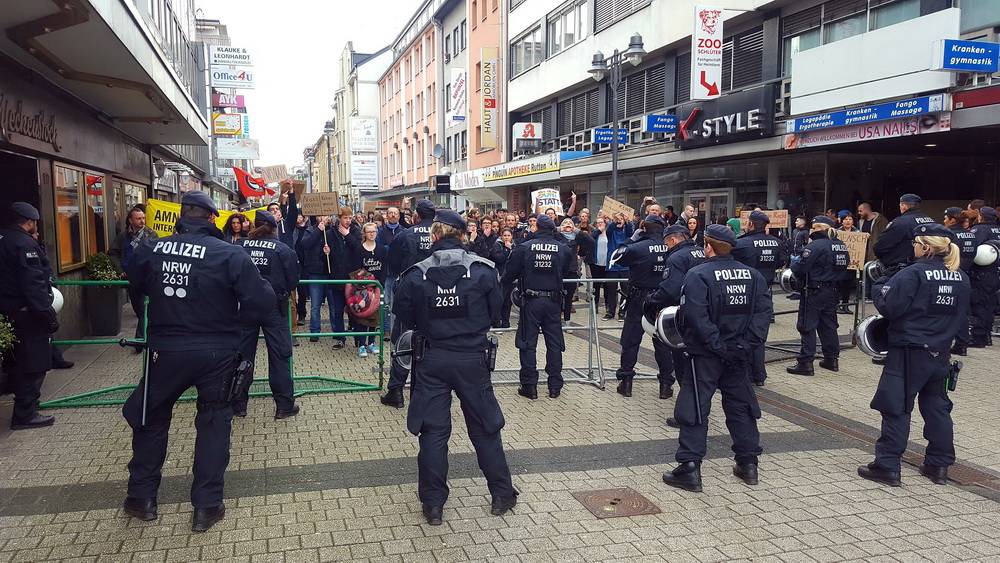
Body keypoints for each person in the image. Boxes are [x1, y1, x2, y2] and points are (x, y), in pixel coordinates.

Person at [122, 191, 274, 532]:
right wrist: (238, 319)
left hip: (165, 350)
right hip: (217, 351)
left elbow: (135, 281)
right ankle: (206, 506)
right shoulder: (229, 253)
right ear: (211, 218)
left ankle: (141, 498)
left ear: (181, 217)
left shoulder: (153, 248)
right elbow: (262, 300)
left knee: (151, 420)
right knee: (214, 424)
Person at [393, 209, 517, 525]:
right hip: (472, 359)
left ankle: (433, 504)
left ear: (434, 236)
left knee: (433, 433)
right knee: (485, 428)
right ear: (463, 236)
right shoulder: (483, 271)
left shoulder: (415, 275)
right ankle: (502, 494)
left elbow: (404, 315)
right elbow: (495, 311)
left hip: (432, 360)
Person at [661, 224, 771, 493]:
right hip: (739, 355)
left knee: (695, 408)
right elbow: (763, 316)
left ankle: (690, 467)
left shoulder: (698, 275)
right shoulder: (754, 276)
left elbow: (695, 317)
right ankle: (748, 463)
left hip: (706, 355)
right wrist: (743, 346)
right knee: (741, 407)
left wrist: (718, 345)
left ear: (708, 247)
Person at [859, 223, 969, 487]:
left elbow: (889, 306)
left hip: (909, 352)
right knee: (937, 409)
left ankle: (887, 466)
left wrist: (881, 282)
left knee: (895, 407)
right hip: (940, 353)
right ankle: (938, 465)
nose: (914, 248)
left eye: (916, 244)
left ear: (926, 247)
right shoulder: (960, 276)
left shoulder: (913, 274)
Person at [502, 215, 575, 400]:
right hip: (553, 302)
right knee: (554, 344)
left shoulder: (524, 247)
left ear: (536, 227)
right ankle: (554, 386)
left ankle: (530, 386)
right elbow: (567, 271)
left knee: (528, 343)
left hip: (531, 301)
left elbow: (509, 274)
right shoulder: (563, 248)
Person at [235, 211, 299, 419]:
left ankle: (238, 404)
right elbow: (293, 281)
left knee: (241, 355)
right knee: (279, 356)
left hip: (245, 306)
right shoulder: (283, 250)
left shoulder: (239, 246)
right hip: (274, 308)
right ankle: (284, 406)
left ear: (254, 225)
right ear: (273, 228)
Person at [0, 202, 58, 430]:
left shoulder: (3, 239)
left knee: (16, 362)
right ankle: (25, 414)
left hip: (8, 312)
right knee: (34, 364)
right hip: (27, 314)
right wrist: (47, 314)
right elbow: (33, 284)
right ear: (29, 222)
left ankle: (25, 409)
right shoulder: (24, 244)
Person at [646, 224, 706, 427]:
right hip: (703, 316)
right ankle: (699, 409)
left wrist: (652, 300)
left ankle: (688, 414)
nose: (665, 246)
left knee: (682, 367)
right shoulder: (701, 251)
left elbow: (671, 290)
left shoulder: (676, 258)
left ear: (672, 240)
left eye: (666, 243)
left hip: (683, 317)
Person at [609, 215, 674, 398]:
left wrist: (631, 239)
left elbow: (616, 257)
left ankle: (626, 382)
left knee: (631, 341)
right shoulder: (672, 248)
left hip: (639, 298)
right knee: (662, 341)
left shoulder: (638, 247)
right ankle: (665, 385)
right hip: (662, 298)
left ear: (644, 228)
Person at [381, 199, 437, 408]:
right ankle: (428, 390)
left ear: (416, 216)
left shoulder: (405, 235)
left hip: (410, 294)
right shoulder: (442, 233)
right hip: (436, 294)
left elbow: (393, 263)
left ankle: (396, 390)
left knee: (403, 340)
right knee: (433, 340)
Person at [786, 216, 849, 376]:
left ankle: (805, 363)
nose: (811, 230)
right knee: (829, 325)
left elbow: (800, 268)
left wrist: (794, 262)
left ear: (820, 228)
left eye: (813, 227)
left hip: (814, 290)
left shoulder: (815, 245)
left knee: (807, 325)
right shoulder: (840, 245)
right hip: (833, 290)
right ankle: (831, 359)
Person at [733, 211, 786, 386]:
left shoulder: (741, 244)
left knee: (744, 332)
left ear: (751, 224)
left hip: (745, 292)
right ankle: (759, 374)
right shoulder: (777, 243)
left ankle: (747, 374)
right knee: (759, 333)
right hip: (765, 292)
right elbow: (781, 262)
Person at [109, 206, 158, 347]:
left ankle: (139, 340)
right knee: (139, 309)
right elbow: (113, 253)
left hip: (145, 278)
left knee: (144, 310)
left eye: (143, 218)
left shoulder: (151, 235)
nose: (142, 221)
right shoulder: (123, 236)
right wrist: (119, 269)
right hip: (129, 278)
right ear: (130, 220)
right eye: (138, 218)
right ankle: (144, 335)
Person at [348, 222, 387, 356]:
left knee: (374, 317)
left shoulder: (382, 249)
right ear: (364, 233)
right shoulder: (359, 249)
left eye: (374, 231)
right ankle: (361, 344)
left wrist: (379, 283)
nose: (372, 234)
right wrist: (366, 282)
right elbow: (356, 269)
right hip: (362, 288)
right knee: (362, 318)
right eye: (369, 231)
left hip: (377, 287)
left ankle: (371, 342)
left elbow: (384, 268)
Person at [874, 194, 933, 273]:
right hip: (927, 266)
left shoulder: (900, 222)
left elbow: (880, 247)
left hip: (903, 269)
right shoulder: (930, 221)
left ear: (903, 206)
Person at [968, 206, 1000, 347]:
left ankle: (978, 338)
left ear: (981, 216)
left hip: (981, 273)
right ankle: (986, 336)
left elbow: (972, 248)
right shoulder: (997, 229)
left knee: (979, 305)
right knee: (989, 305)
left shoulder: (980, 229)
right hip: (995, 273)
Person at [604, 212, 634, 320]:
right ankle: (610, 312)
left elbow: (630, 232)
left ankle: (622, 312)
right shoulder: (611, 232)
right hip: (612, 266)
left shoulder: (627, 232)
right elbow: (609, 230)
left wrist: (627, 221)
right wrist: (614, 220)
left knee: (625, 291)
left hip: (625, 266)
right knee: (611, 290)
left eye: (621, 218)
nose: (619, 220)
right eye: (618, 218)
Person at [491, 228, 515, 328]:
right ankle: (496, 322)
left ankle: (506, 322)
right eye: (505, 235)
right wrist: (507, 249)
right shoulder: (497, 245)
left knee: (508, 302)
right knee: (499, 301)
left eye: (508, 235)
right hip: (500, 277)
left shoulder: (515, 245)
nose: (506, 237)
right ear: (501, 236)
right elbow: (499, 259)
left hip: (510, 277)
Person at [835, 213, 858, 315]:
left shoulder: (857, 232)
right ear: (842, 221)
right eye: (846, 219)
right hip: (839, 262)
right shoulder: (837, 232)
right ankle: (837, 305)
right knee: (838, 284)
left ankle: (845, 305)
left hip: (851, 264)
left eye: (850, 219)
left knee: (847, 285)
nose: (848, 221)